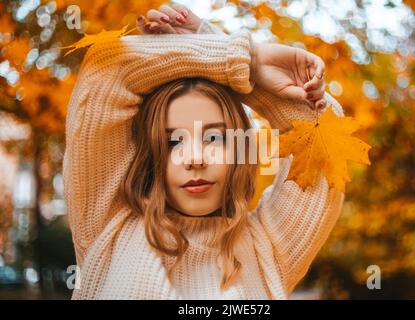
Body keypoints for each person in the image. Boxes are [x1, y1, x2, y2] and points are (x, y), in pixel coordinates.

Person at [63, 3, 345, 299]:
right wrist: (237, 58)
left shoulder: (269, 249)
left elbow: (324, 134)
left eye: (214, 138)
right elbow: (107, 68)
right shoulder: (107, 226)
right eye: (174, 142)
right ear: (152, 156)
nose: (196, 158)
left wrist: (247, 69)